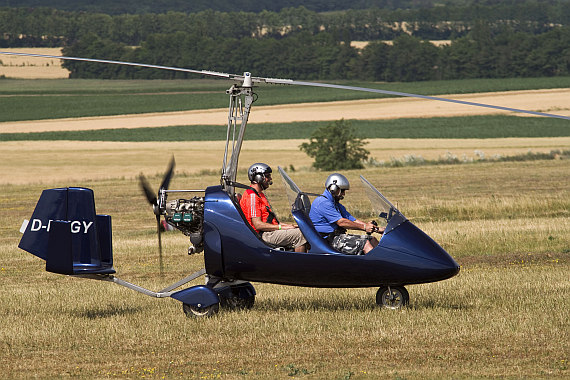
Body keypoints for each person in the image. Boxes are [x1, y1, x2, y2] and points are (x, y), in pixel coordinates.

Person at [240, 163, 308, 252]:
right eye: (268, 176)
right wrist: (280, 227)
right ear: (259, 178)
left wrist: (287, 225)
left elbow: (267, 219)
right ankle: (300, 264)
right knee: (300, 235)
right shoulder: (252, 197)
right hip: (264, 235)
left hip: (269, 231)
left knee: (304, 229)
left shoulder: (259, 194)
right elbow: (258, 225)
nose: (270, 179)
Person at [310, 173, 384, 255]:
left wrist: (376, 229)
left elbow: (352, 220)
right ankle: (377, 266)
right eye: (342, 190)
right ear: (333, 188)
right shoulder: (323, 203)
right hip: (327, 241)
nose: (343, 194)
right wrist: (364, 227)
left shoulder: (335, 204)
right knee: (365, 244)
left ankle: (385, 262)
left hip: (337, 237)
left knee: (372, 239)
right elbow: (342, 222)